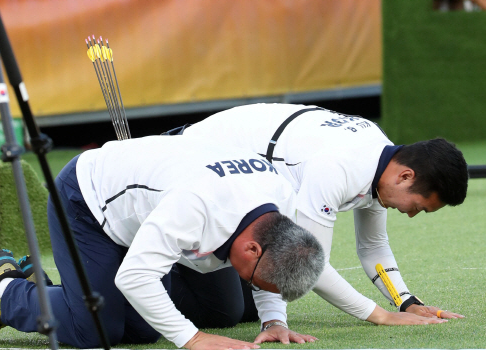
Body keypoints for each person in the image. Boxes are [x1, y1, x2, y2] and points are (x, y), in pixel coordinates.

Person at [0, 136, 325, 349]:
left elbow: (278, 256)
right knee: (98, 329)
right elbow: (134, 277)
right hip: (88, 203)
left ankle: (59, 292)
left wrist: (274, 319)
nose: (253, 285)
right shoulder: (194, 206)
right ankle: (6, 291)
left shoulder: (281, 202)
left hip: (151, 213)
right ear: (251, 249)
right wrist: (191, 338)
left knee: (225, 310)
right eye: (255, 281)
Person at [180, 103, 468, 327]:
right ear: (405, 176)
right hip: (191, 162)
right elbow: (312, 267)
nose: (411, 215)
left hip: (234, 185)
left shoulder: (384, 163)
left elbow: (373, 247)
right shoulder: (339, 167)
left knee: (249, 304)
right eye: (418, 206)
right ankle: (151, 268)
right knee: (225, 309)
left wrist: (406, 302)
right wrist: (380, 315)